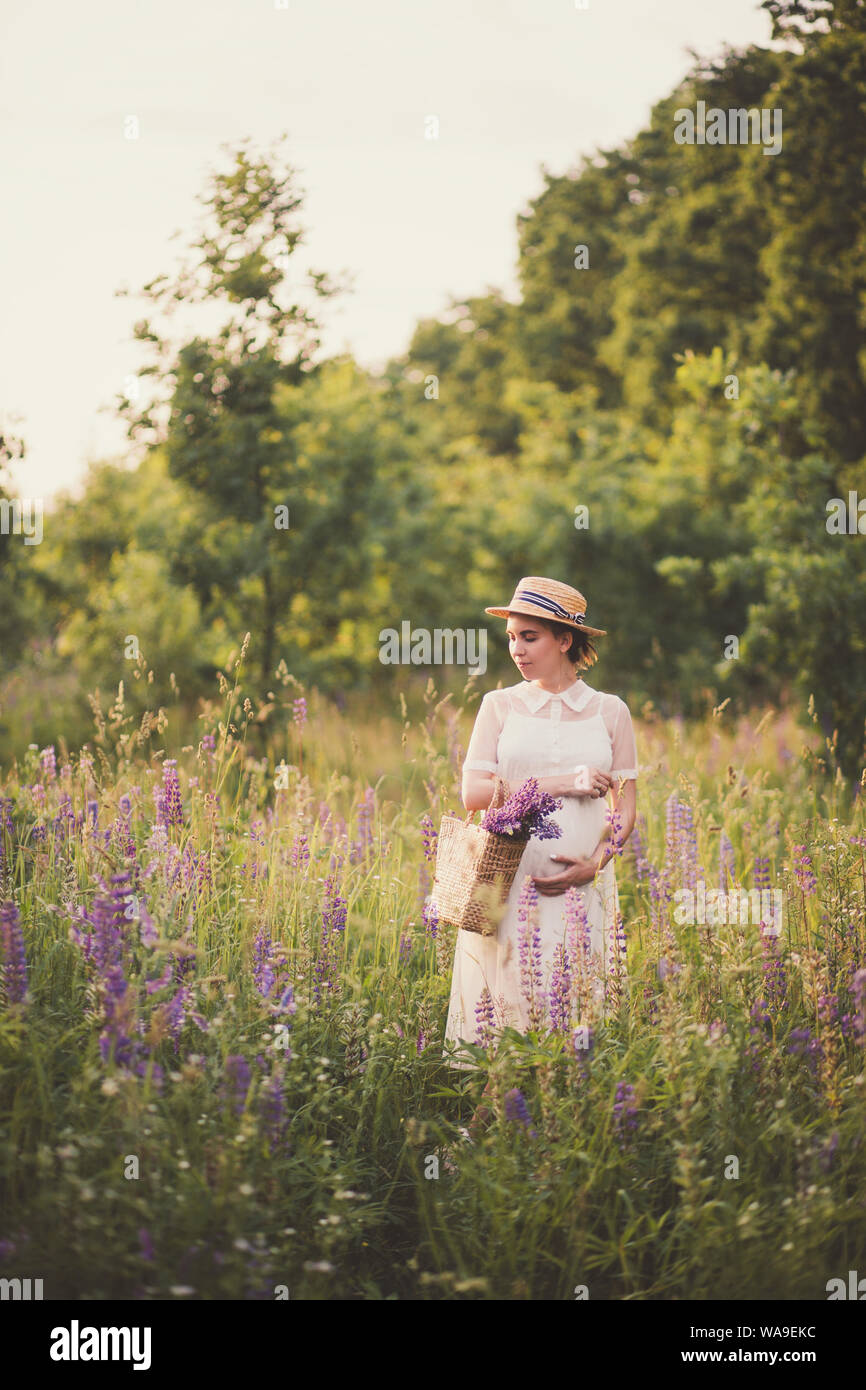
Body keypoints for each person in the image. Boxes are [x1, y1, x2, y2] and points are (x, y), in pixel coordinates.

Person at [442, 576, 639, 1102]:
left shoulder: (610, 711)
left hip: (581, 888)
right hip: (510, 882)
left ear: (565, 640)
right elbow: (474, 793)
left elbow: (626, 810)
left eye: (529, 637)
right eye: (511, 637)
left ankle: (556, 1141)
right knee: (508, 1016)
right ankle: (481, 1143)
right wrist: (558, 783)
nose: (516, 650)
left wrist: (595, 864)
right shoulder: (499, 705)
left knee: (573, 1016)